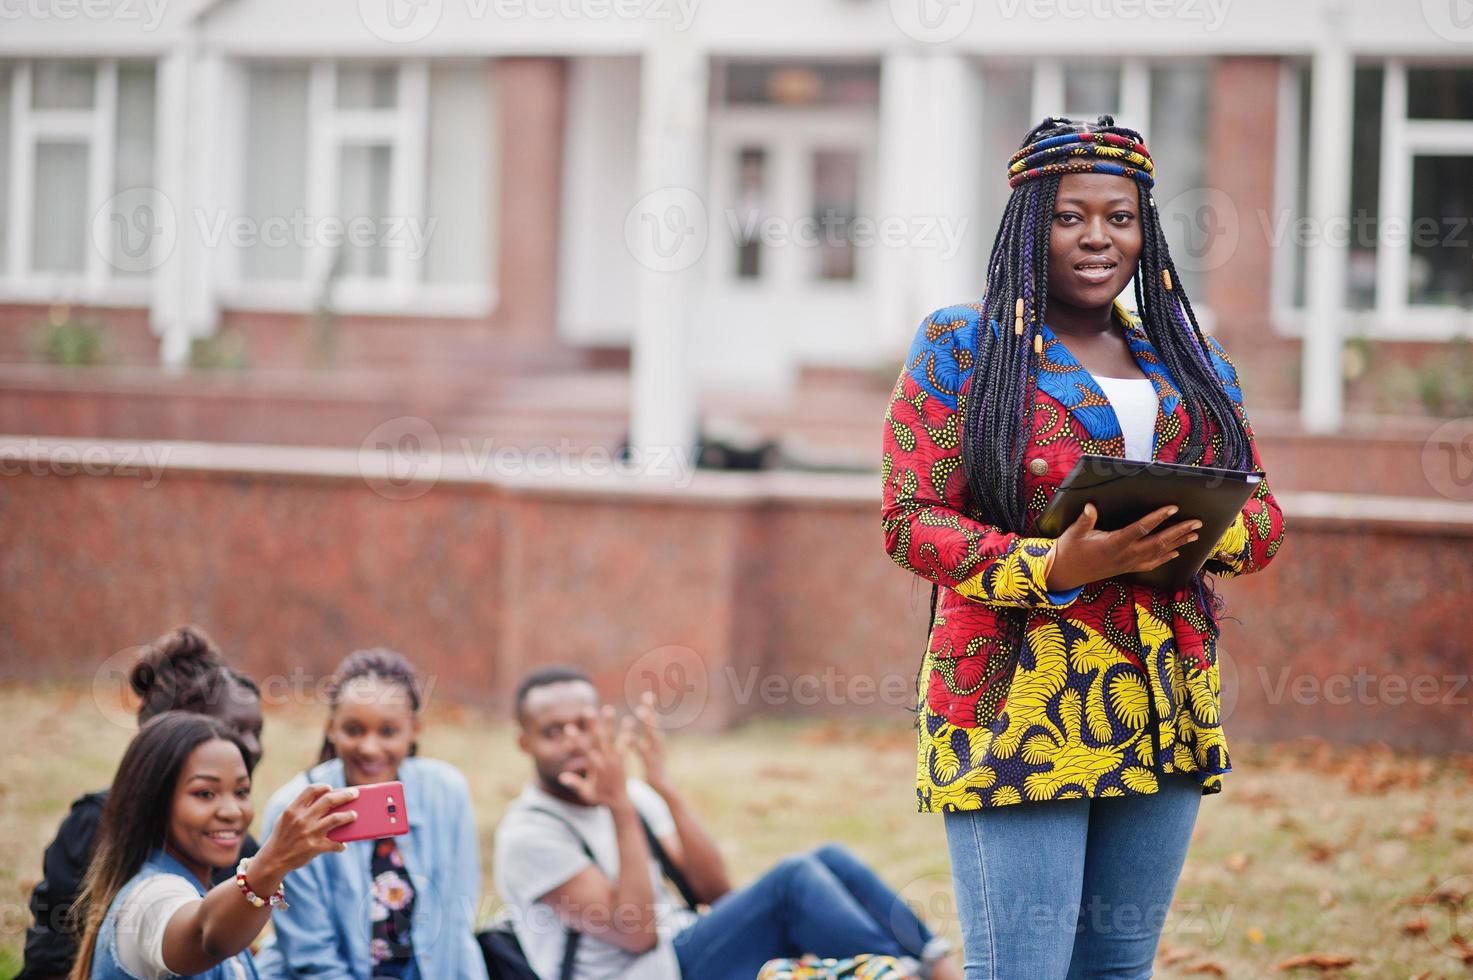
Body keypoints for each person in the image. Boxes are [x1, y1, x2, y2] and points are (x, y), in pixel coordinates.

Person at [880, 114, 1286, 977]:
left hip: (1163, 691)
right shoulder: (963, 344)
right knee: (1020, 965)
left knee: (1116, 966)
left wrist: (1191, 528)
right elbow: (909, 517)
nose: (1098, 238)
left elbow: (1260, 519)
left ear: (1146, 229)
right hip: (1016, 692)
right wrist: (1054, 566)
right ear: (1030, 226)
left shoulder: (1190, 357)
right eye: (1070, 216)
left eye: (1120, 216)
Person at [493, 667, 961, 980]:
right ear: (524, 743)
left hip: (681, 951)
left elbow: (715, 892)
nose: (573, 740)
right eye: (553, 732)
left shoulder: (631, 796)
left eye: (583, 724)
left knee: (829, 859)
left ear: (603, 724)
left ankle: (939, 968)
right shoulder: (529, 835)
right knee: (792, 881)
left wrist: (663, 787)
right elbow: (636, 933)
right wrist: (617, 808)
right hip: (647, 971)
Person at [21, 626, 266, 980]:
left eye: (256, 732)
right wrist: (272, 867)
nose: (251, 747)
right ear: (169, 736)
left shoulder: (232, 843)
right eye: (232, 730)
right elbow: (52, 954)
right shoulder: (97, 828)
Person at [68, 710, 359, 980]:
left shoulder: (193, 885)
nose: (232, 810)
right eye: (205, 793)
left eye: (241, 791)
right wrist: (273, 861)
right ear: (153, 802)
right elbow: (206, 939)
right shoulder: (149, 899)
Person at [255, 648, 487, 980]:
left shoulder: (446, 793)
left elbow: (455, 924)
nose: (370, 747)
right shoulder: (295, 809)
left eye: (388, 732)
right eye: (353, 730)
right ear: (331, 728)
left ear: (414, 730)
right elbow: (311, 957)